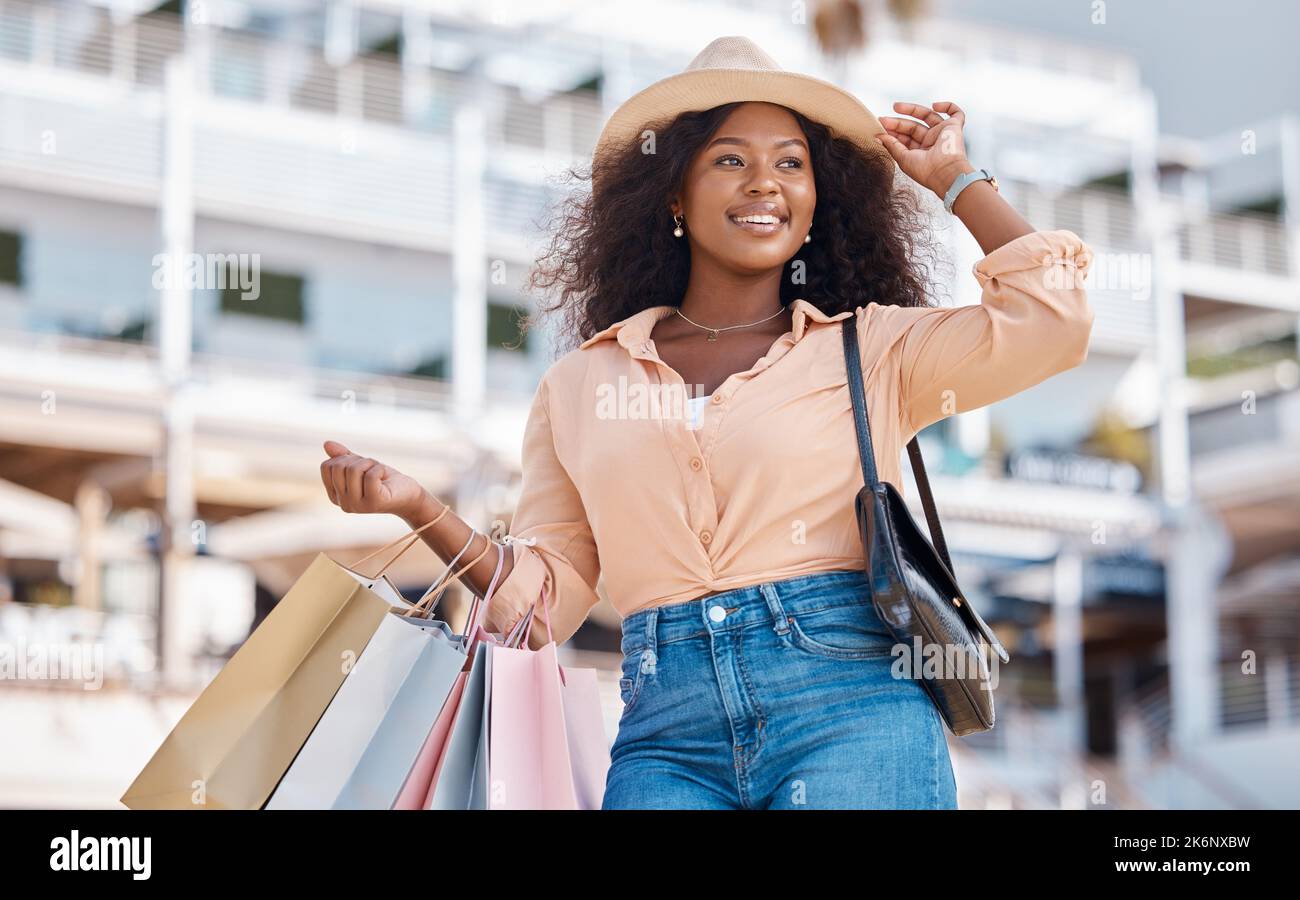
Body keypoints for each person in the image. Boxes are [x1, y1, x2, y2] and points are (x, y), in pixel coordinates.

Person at [319, 36, 1094, 809]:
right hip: (666, 730)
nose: (765, 183)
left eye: (792, 163)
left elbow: (1052, 319)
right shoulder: (582, 383)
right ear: (674, 196)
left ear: (819, 200)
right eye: (730, 160)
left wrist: (957, 180)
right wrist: (420, 510)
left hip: (854, 707)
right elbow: (545, 603)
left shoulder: (875, 348)